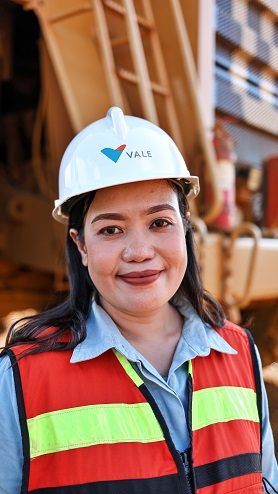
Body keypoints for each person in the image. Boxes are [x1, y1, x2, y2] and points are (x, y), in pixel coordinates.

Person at [0, 107, 277, 494]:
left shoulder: (240, 354)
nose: (139, 251)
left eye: (159, 223)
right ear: (80, 245)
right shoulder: (19, 380)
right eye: (111, 229)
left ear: (185, 227)